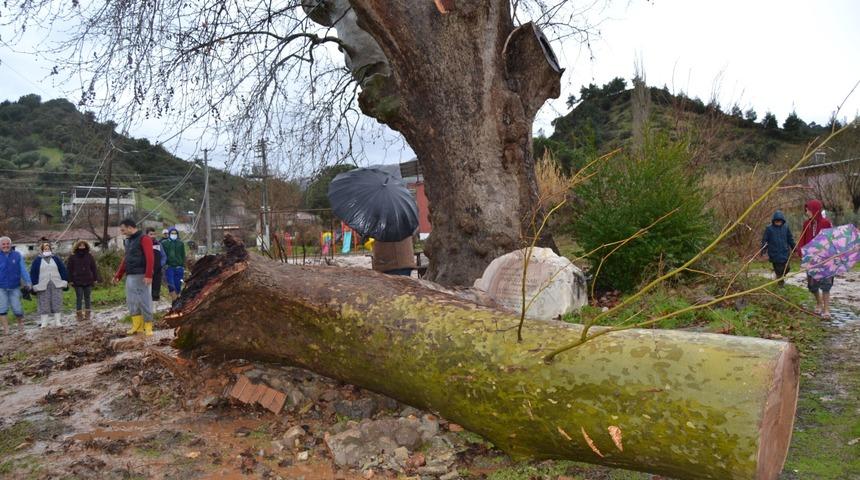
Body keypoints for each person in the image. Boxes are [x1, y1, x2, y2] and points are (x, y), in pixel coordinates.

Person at [113, 218, 155, 336]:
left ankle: (148, 326)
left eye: (123, 230)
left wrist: (148, 275)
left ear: (130, 227)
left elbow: (150, 258)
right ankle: (137, 326)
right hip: (130, 275)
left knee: (144, 301)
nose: (122, 232)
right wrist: (118, 275)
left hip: (142, 275)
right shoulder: (128, 241)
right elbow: (125, 259)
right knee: (132, 301)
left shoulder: (144, 239)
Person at [798, 199, 834, 318]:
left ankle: (826, 309)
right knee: (812, 286)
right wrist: (801, 252)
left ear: (815, 210)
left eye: (808, 210)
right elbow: (802, 239)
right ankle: (819, 302)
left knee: (826, 285)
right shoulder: (806, 224)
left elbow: (830, 239)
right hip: (811, 259)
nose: (806, 212)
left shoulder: (826, 223)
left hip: (825, 259)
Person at [30, 242, 70, 328]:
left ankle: (58, 321)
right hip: (42, 284)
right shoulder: (37, 260)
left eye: (48, 249)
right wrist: (34, 284)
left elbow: (62, 269)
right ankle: (44, 322)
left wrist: (65, 280)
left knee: (57, 301)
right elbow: (33, 273)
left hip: (56, 283)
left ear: (51, 249)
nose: (47, 250)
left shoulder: (56, 258)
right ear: (41, 250)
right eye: (45, 249)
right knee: (44, 303)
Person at [0, 236, 32, 334]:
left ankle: (21, 328)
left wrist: (28, 281)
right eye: (3, 244)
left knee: (17, 308)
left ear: (11, 244)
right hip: (1, 287)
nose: (6, 246)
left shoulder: (17, 255)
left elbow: (23, 269)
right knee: (2, 308)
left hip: (15, 286)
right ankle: (6, 330)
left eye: (7, 244)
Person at [66, 240, 100, 322]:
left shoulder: (89, 256)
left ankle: (88, 314)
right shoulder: (72, 257)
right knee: (79, 297)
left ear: (86, 246)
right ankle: (79, 315)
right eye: (80, 245)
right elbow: (69, 269)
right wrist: (70, 280)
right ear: (77, 246)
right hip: (77, 280)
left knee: (87, 297)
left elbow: (94, 268)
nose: (82, 247)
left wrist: (95, 278)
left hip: (88, 279)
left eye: (83, 245)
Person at [760, 210, 795, 287]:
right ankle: (780, 284)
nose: (778, 223)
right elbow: (765, 241)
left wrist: (794, 247)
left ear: (782, 221)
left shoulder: (786, 228)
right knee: (779, 270)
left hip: (785, 252)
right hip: (774, 253)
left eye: (780, 221)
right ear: (774, 221)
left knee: (787, 268)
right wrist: (763, 251)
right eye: (776, 221)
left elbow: (790, 238)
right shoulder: (769, 229)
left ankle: (779, 277)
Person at [161, 227, 186, 301]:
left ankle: (176, 301)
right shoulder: (164, 243)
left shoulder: (180, 243)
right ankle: (175, 301)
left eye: (175, 233)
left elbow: (183, 255)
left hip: (179, 268)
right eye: (172, 233)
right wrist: (164, 265)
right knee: (171, 285)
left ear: (177, 234)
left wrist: (182, 265)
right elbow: (163, 255)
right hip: (169, 267)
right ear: (169, 234)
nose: (174, 234)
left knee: (178, 286)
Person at [146, 227, 167, 301]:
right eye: (150, 234)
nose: (152, 236)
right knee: (147, 289)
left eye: (154, 234)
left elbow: (164, 256)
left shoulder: (159, 244)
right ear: (147, 235)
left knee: (156, 288)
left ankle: (155, 301)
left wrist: (160, 265)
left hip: (157, 270)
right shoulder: (144, 245)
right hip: (146, 270)